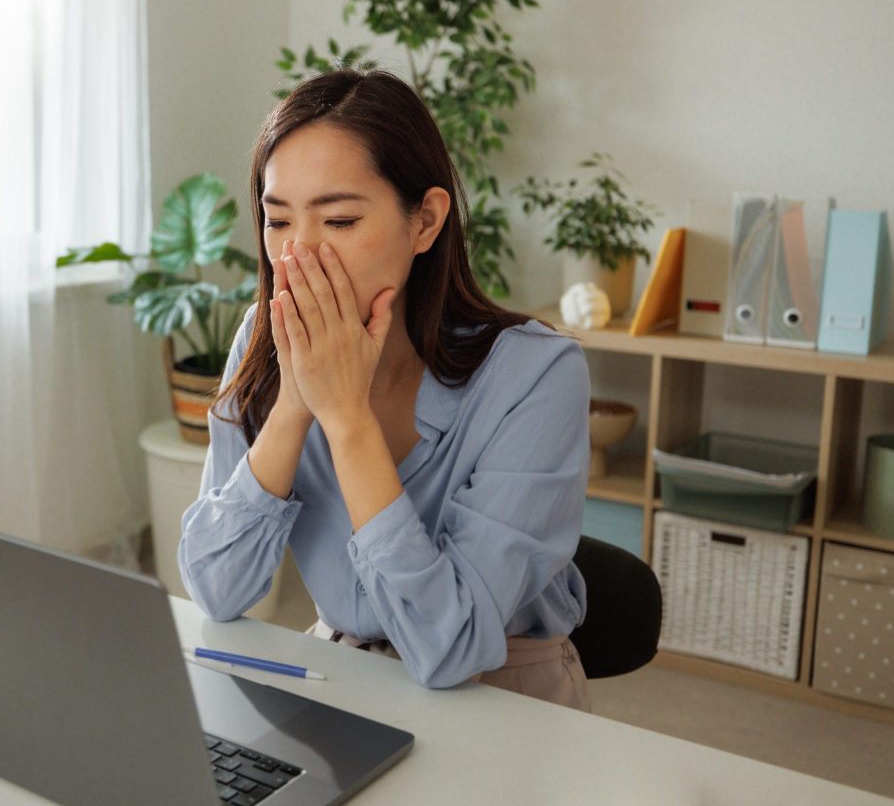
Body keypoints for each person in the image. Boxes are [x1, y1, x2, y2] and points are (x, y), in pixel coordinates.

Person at [177, 68, 592, 711]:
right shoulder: (264, 339)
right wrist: (295, 403)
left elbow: (450, 648)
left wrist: (346, 418)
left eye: (339, 220)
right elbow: (215, 589)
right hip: (338, 673)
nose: (298, 255)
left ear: (424, 221)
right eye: (277, 220)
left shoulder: (537, 373)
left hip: (502, 695)